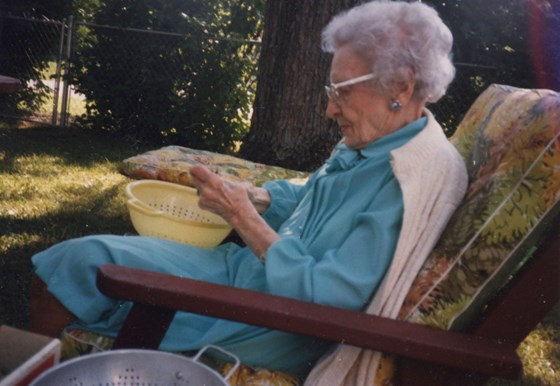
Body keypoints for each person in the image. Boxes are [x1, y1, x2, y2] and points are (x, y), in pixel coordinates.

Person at [29, 0, 467, 382]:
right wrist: (256, 198)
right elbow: (310, 203)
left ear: (402, 86)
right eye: (329, 90)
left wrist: (245, 220)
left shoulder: (406, 178)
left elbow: (330, 296)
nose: (330, 107)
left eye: (341, 91)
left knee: (81, 266)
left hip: (270, 318)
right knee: (80, 259)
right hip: (249, 275)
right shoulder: (375, 140)